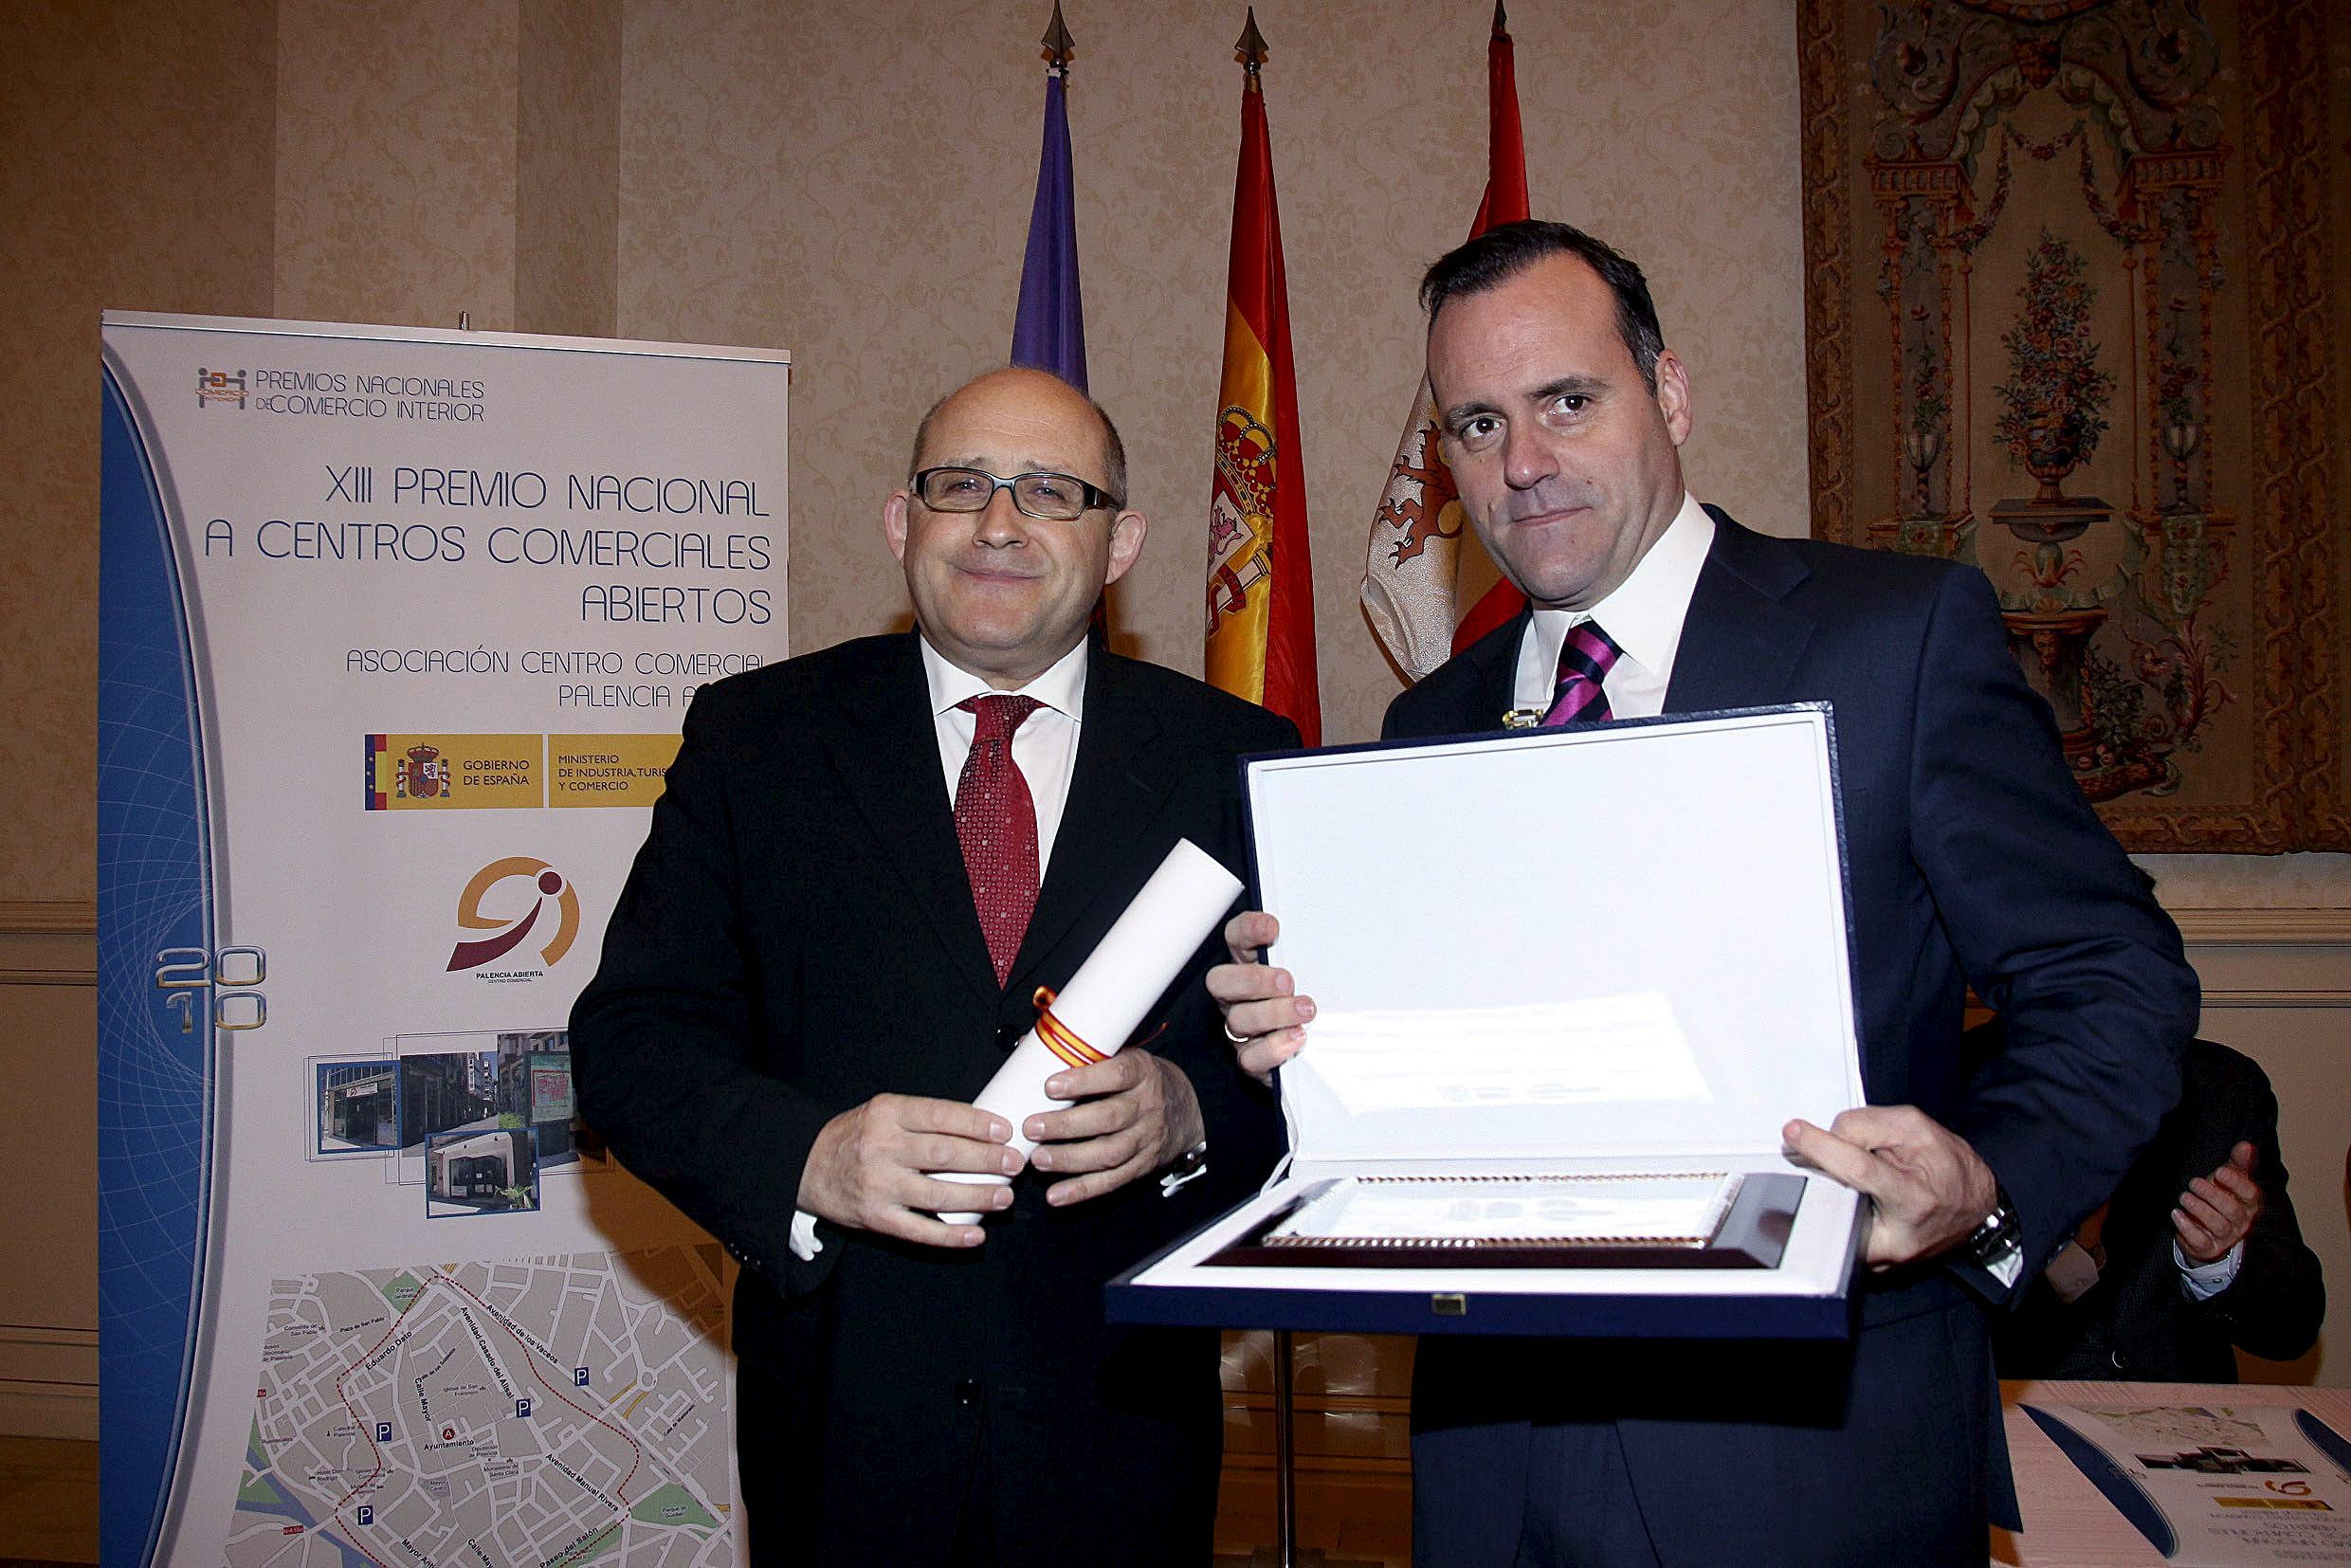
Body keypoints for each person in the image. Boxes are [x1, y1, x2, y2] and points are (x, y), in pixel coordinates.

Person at [1208, 221, 2198, 1565]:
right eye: (1477, 423)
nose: (1526, 464)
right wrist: (1307, 1040)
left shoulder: (1892, 640)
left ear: (1667, 395)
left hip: (1812, 1460)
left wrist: (1987, 1182)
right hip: (1490, 1463)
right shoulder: (1427, 723)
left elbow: (2112, 973)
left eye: (1569, 400)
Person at [573, 367, 1296, 1566]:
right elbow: (630, 1042)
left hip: (1117, 1446)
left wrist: (1187, 1115)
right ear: (901, 524)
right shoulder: (756, 741)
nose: (1000, 522)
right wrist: (806, 1157)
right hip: (847, 1440)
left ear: (1121, 544)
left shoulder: (1236, 759)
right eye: (961, 486)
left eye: (1052, 492)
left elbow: (1307, 1068)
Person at [1994, 1034, 2324, 1382]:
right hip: (2020, 1412)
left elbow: (2294, 1326)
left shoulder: (2225, 1085)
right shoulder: (1963, 1074)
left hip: (2188, 1418)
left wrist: (2220, 1262)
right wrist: (2065, 1255)